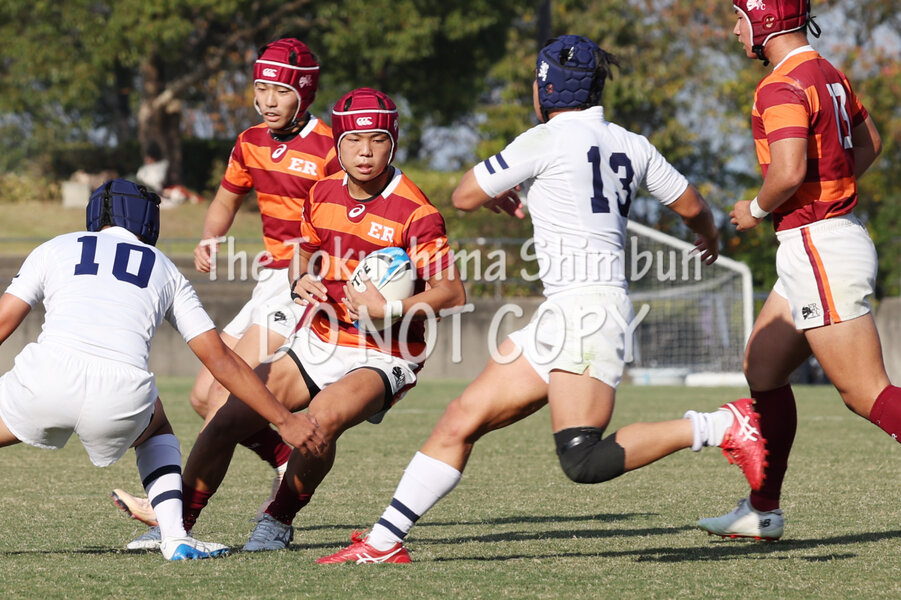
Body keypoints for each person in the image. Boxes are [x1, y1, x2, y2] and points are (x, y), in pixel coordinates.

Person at [316, 35, 767, 564]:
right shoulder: (632, 143)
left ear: (547, 89)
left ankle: (723, 425)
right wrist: (709, 237)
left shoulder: (545, 139)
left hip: (587, 313)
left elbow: (464, 195)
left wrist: (501, 189)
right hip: (568, 312)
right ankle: (383, 543)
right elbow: (691, 207)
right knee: (461, 418)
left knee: (582, 458)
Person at [117, 87, 466, 553]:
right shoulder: (321, 192)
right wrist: (301, 278)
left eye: (378, 140)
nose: (365, 152)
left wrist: (387, 309)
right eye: (353, 140)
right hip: (321, 338)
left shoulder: (417, 212)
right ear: (337, 143)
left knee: (319, 422)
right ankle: (176, 524)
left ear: (394, 141)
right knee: (225, 417)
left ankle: (276, 522)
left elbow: (452, 292)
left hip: (386, 352)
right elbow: (303, 251)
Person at [0, 179, 324, 561]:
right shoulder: (164, 267)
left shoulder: (55, 247)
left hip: (46, 381)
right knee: (156, 426)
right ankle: (174, 536)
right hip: (121, 397)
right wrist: (284, 419)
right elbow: (220, 359)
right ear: (148, 221)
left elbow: (4, 321)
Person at [111, 37, 342, 545]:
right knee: (202, 395)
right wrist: (209, 238)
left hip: (304, 282)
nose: (267, 101)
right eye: (261, 89)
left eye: (280, 91)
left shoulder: (331, 146)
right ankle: (284, 456)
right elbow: (226, 198)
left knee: (224, 397)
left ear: (304, 92)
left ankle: (173, 513)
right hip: (269, 280)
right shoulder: (250, 141)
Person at [696, 0, 894, 541]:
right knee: (762, 368)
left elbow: (786, 173)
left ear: (764, 20)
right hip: (820, 241)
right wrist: (828, 187)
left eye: (739, 17)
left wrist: (754, 210)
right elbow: (871, 143)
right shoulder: (828, 72)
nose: (734, 29)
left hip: (818, 244)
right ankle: (762, 510)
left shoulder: (780, 84)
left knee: (865, 393)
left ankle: (762, 508)